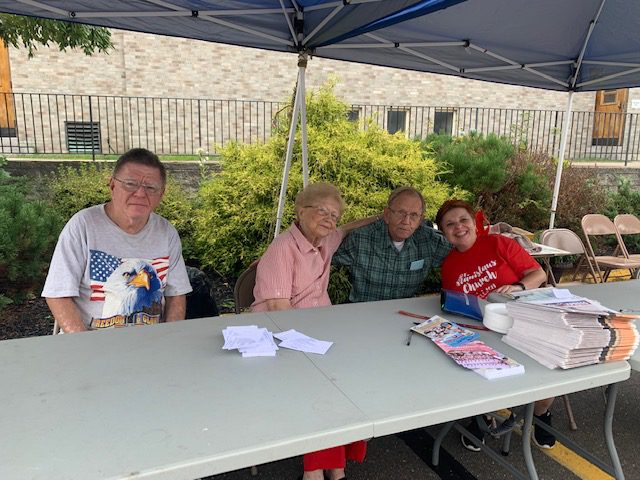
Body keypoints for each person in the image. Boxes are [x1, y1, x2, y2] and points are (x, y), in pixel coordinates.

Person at [252, 182, 374, 480]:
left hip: (317, 334)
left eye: (334, 214)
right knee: (325, 388)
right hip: (280, 338)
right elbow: (280, 313)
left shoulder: (326, 240)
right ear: (300, 211)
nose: (329, 219)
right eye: (322, 211)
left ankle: (332, 465)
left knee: (351, 378)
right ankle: (319, 472)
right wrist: (314, 351)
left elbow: (345, 229)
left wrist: (382, 217)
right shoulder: (283, 249)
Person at [435, 199, 555, 450]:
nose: (459, 227)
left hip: (521, 319)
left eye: (463, 220)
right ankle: (483, 415)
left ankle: (541, 414)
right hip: (483, 329)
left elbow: (539, 274)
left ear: (474, 223)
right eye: (450, 224)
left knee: (546, 372)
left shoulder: (499, 243)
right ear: (444, 232)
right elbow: (457, 305)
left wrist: (518, 287)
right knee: (472, 366)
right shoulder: (449, 266)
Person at [42, 148, 192, 332]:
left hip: (151, 341)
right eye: (130, 184)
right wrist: (83, 343)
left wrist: (169, 337)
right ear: (112, 185)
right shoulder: (83, 225)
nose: (140, 193)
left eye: (151, 187)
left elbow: (176, 295)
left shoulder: (166, 232)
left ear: (161, 194)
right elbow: (58, 295)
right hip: (90, 339)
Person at [332, 186, 452, 303]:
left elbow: (460, 252)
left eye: (414, 215)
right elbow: (323, 253)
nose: (406, 221)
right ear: (387, 215)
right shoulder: (360, 238)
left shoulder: (429, 241)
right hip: (364, 311)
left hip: (406, 312)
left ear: (420, 220)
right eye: (401, 213)